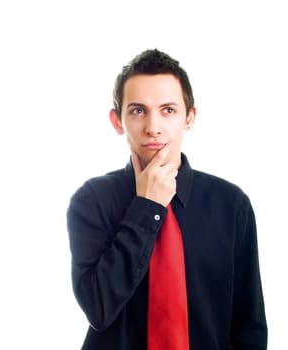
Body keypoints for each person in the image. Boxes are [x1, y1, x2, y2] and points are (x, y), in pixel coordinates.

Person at [67, 49, 267, 350]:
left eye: (168, 110)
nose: (153, 127)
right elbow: (98, 308)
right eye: (137, 110)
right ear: (117, 121)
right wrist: (147, 207)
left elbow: (248, 324)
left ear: (190, 117)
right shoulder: (92, 200)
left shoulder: (231, 204)